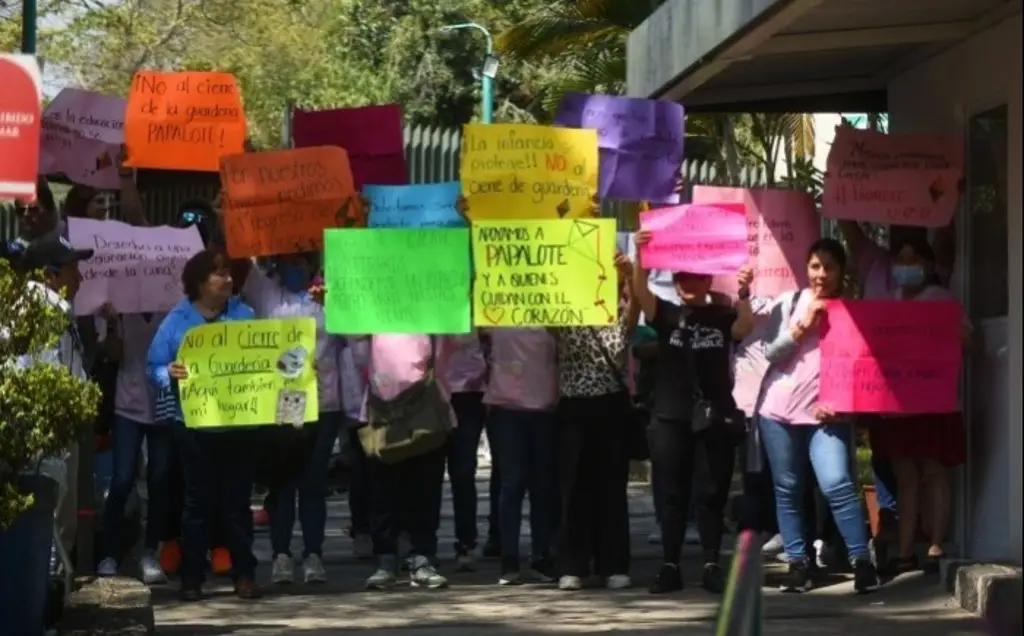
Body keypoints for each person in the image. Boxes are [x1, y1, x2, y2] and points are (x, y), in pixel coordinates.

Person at [631, 229, 755, 594]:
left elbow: (744, 327)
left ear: (707, 279)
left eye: (695, 276)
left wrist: (745, 293)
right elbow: (641, 294)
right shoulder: (667, 314)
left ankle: (713, 563)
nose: (688, 282)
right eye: (681, 276)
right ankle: (670, 566)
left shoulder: (721, 313)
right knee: (672, 494)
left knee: (711, 493)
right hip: (670, 418)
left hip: (713, 418)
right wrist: (640, 256)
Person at [756, 238, 880, 594]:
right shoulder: (790, 302)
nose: (821, 274)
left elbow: (865, 370)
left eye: (829, 267)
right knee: (788, 490)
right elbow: (770, 353)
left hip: (828, 416)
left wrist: (842, 404)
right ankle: (798, 565)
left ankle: (862, 562)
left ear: (841, 272)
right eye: (815, 266)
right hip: (778, 412)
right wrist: (801, 327)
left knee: (837, 484)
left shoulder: (853, 312)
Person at [146, 249, 261, 601]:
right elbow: (153, 367)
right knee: (197, 503)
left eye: (228, 273)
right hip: (193, 427)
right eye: (218, 274)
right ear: (199, 282)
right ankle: (192, 578)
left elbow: (264, 362)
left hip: (239, 427)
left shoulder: (246, 316)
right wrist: (170, 373)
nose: (227, 280)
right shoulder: (177, 321)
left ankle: (244, 574)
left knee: (237, 503)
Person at [230, 250, 345, 585]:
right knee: (284, 482)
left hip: (324, 402)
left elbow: (356, 339)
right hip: (284, 401)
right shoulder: (264, 291)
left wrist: (334, 306)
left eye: (302, 260)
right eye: (288, 260)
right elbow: (238, 260)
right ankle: (281, 554)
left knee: (313, 482)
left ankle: (313, 554)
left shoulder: (331, 293)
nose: (296, 266)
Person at [868, 237, 969, 574]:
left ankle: (935, 544)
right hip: (897, 404)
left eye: (912, 260)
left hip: (933, 400)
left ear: (926, 266)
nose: (905, 267)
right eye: (901, 259)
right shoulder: (888, 301)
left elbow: (968, 339)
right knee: (906, 475)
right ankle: (906, 550)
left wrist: (951, 333)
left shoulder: (941, 299)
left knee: (933, 471)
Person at [1, 236, 95, 561]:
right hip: (41, 436)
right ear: (49, 275)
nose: (79, 278)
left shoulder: (58, 311)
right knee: (49, 519)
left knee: (59, 518)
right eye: (72, 270)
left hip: (60, 430)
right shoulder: (36, 312)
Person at [553, 253, 638, 592]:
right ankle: (573, 564)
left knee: (611, 490)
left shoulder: (620, 314)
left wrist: (631, 274)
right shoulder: (565, 316)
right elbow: (536, 298)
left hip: (610, 410)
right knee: (573, 490)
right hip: (573, 410)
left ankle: (614, 564)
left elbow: (636, 310)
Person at [362, 334, 451, 591]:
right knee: (384, 491)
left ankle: (419, 557)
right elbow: (357, 353)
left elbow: (448, 355)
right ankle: (387, 559)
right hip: (385, 413)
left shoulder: (432, 320)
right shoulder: (371, 320)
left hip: (424, 414)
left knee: (425, 489)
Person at [484, 328, 559, 586]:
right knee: (511, 485)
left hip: (545, 410)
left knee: (542, 486)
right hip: (507, 410)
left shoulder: (554, 317)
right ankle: (509, 558)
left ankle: (540, 555)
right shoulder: (496, 313)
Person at [439, 331, 489, 571]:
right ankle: (422, 544)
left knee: (463, 470)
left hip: (470, 391)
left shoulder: (479, 298)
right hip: (430, 388)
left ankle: (466, 543)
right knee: (429, 470)